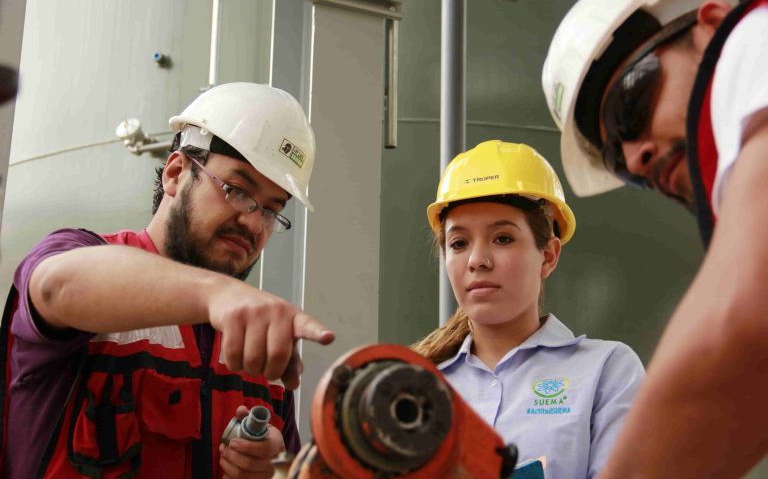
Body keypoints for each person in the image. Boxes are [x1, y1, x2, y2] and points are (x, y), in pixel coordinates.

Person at [0, 82, 335, 478]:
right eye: (237, 190)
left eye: (270, 210)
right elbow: (56, 287)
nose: (252, 222)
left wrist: (275, 469)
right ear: (176, 173)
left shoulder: (258, 341)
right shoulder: (81, 255)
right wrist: (218, 294)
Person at [541, 0, 768, 476]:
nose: (635, 158)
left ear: (712, 24)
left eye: (630, 104)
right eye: (616, 159)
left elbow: (739, 328)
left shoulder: (755, 39)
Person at [412, 140, 645, 479]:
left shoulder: (606, 371)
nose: (477, 260)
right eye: (459, 243)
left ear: (548, 256)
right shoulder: (416, 387)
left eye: (502, 238)